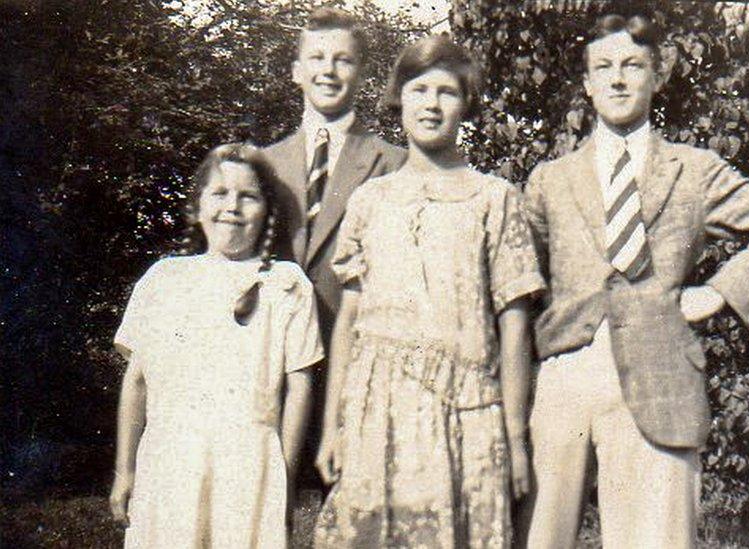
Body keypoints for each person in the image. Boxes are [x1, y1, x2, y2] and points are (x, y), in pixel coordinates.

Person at [522, 13, 749, 549]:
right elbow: (519, 276)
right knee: (537, 538)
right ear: (587, 83)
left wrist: (720, 292)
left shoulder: (694, 170)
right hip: (564, 375)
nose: (618, 79)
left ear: (657, 76)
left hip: (660, 374)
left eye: (633, 66)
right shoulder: (550, 179)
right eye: (604, 67)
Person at [312, 35, 544, 548]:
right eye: (419, 90)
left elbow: (514, 327)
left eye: (446, 92)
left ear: (465, 104)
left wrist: (515, 438)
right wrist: (332, 426)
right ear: (400, 99)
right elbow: (347, 325)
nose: (431, 105)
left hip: (465, 415)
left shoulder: (495, 198)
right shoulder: (370, 200)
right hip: (378, 416)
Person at [108, 143, 323, 548]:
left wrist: (287, 477)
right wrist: (125, 471)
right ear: (198, 205)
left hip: (250, 462)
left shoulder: (287, 284)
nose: (233, 207)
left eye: (248, 196)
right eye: (220, 193)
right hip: (171, 456)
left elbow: (299, 388)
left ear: (267, 211)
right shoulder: (164, 279)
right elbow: (136, 382)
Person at [261, 7, 406, 487]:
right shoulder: (263, 164)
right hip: (275, 359)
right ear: (296, 71)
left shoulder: (394, 163)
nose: (328, 70)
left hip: (357, 357)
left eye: (343, 60)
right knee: (262, 502)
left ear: (361, 73)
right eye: (317, 58)